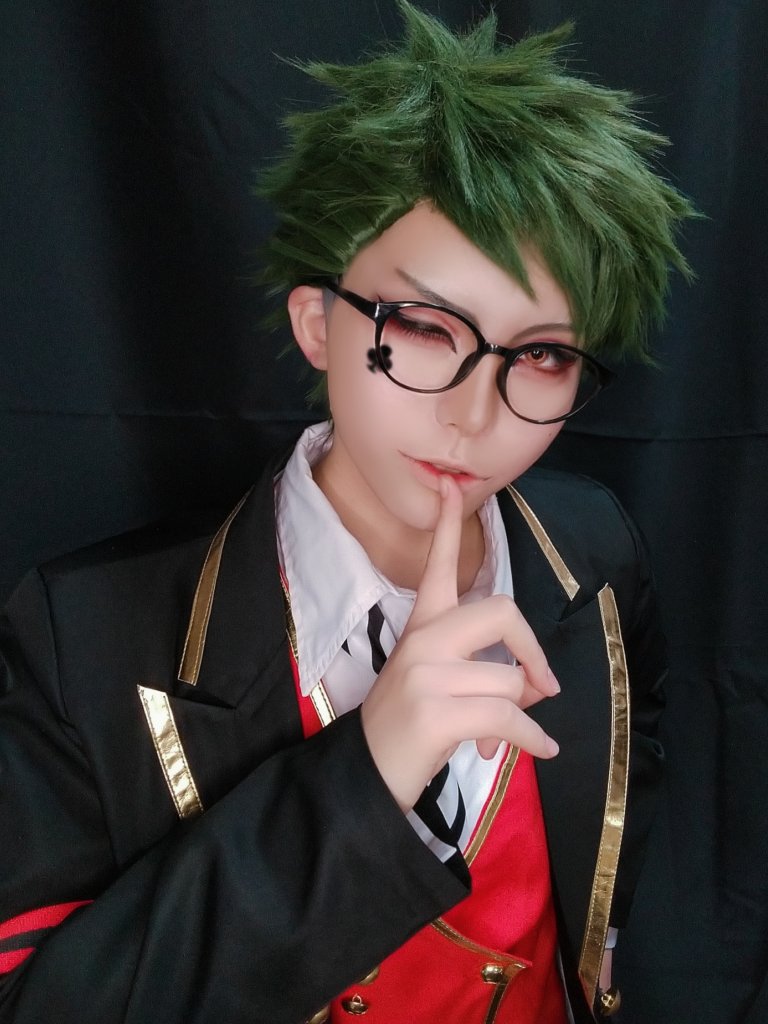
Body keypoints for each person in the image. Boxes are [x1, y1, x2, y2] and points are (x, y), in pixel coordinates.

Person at [0, 4, 694, 1022]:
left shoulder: (595, 551)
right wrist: (366, 774)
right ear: (319, 323)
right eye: (424, 327)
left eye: (543, 354)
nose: (473, 415)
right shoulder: (85, 639)